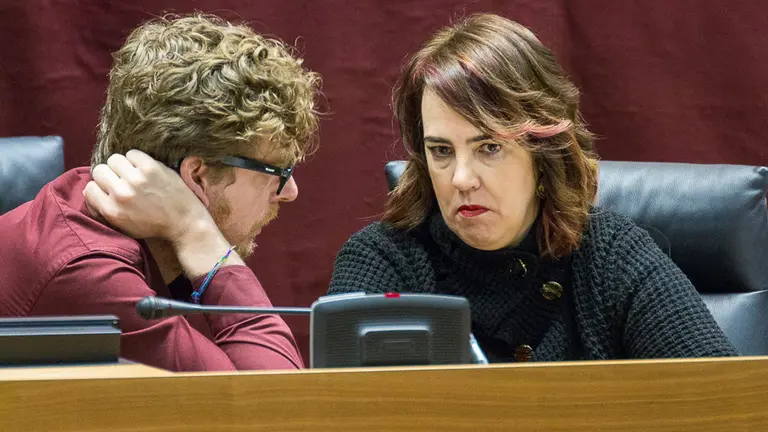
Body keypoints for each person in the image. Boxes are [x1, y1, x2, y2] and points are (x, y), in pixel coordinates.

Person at [328, 13, 737, 362]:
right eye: (441, 150)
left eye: (489, 147)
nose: (461, 178)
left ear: (543, 153)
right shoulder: (383, 261)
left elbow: (730, 400)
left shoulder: (609, 255)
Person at [0, 14, 321, 371]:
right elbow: (273, 407)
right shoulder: (86, 273)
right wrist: (194, 229)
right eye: (278, 172)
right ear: (197, 177)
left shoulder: (130, 235)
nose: (290, 191)